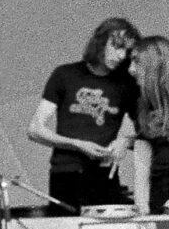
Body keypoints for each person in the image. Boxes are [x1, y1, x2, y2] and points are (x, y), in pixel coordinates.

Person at [28, 18, 140, 213]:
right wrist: (77, 144)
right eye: (116, 47)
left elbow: (150, 132)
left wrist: (125, 141)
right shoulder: (65, 75)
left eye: (127, 51)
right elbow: (35, 129)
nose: (121, 55)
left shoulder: (127, 84)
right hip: (65, 174)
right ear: (100, 41)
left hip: (104, 175)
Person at [131, 36, 169, 215]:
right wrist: (142, 210)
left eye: (136, 62)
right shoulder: (144, 108)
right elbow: (141, 168)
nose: (131, 70)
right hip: (158, 209)